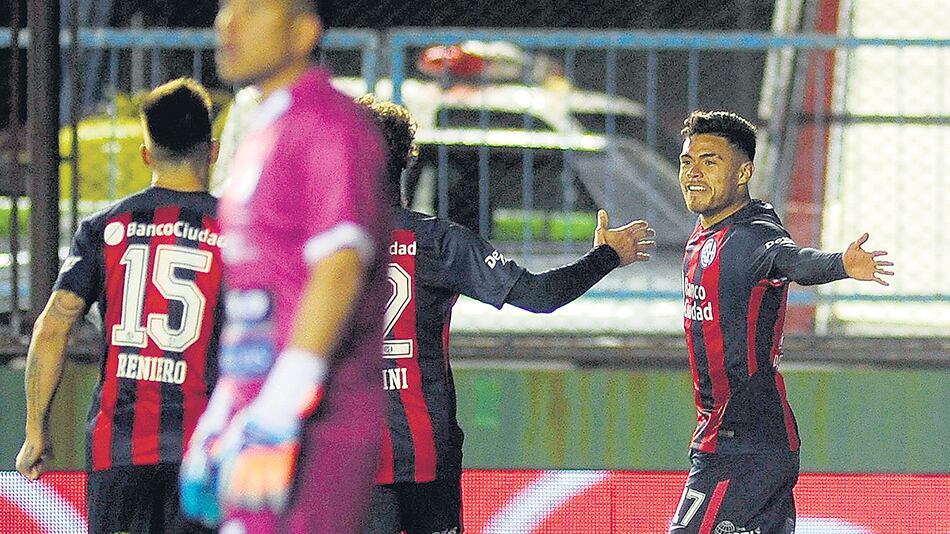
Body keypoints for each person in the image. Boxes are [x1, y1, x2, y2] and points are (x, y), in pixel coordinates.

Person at [356, 95, 656, 534]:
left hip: (358, 456)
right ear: (405, 159)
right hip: (429, 450)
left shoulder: (324, 248)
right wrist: (606, 256)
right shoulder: (441, 242)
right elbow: (540, 295)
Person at [179, 1, 389, 533]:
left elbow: (340, 266)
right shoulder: (263, 129)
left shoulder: (327, 123)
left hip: (312, 428)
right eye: (227, 8)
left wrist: (277, 411)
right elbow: (261, 295)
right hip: (253, 417)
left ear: (303, 32)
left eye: (252, 10)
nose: (227, 24)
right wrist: (224, 410)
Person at [15, 77, 223, 534]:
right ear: (213, 150)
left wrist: (36, 430)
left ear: (147, 153)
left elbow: (52, 328)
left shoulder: (103, 228)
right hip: (203, 449)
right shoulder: (239, 232)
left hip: (118, 447)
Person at [670, 110, 894, 534]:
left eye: (710, 161)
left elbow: (791, 259)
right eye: (687, 161)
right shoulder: (705, 232)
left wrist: (841, 264)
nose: (693, 173)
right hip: (748, 439)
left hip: (742, 444)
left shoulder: (752, 235)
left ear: (744, 172)